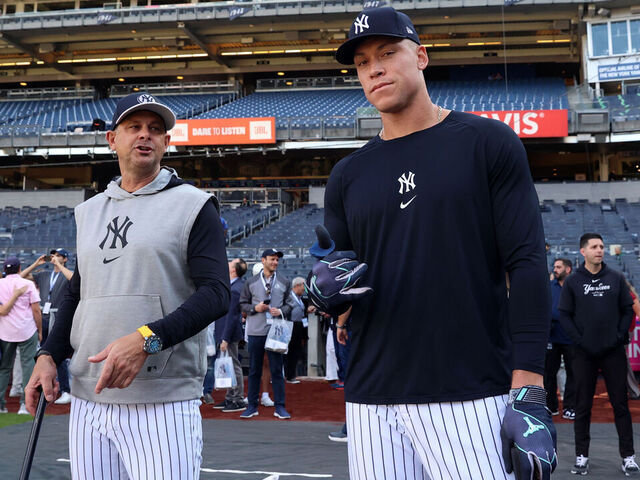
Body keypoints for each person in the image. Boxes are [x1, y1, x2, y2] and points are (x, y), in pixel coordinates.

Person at [312, 7, 557, 479]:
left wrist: (529, 387)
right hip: (370, 396)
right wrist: (322, 294)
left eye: (387, 53)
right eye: (362, 62)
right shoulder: (346, 175)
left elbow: (526, 263)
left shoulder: (487, 142)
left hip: (470, 391)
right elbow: (341, 284)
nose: (375, 68)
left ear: (421, 56)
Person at [24, 92, 230, 479]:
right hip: (89, 397)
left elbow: (217, 294)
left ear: (167, 143)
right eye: (134, 127)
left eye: (155, 129)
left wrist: (147, 339)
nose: (145, 135)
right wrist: (49, 354)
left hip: (161, 399)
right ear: (112, 139)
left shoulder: (195, 205)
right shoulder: (89, 211)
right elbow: (77, 293)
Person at [558, 233, 638, 476]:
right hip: (583, 354)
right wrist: (580, 340)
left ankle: (628, 457)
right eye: (594, 247)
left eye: (602, 246)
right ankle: (582, 456)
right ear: (583, 251)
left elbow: (627, 311)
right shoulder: (573, 281)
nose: (600, 250)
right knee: (582, 406)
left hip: (612, 353)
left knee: (620, 405)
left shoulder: (615, 278)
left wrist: (617, 336)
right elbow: (564, 315)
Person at [239, 248, 293, 419]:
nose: (275, 262)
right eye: (272, 259)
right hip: (256, 330)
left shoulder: (284, 281)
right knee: (254, 370)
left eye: (277, 260)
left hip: (276, 332)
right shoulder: (251, 282)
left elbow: (291, 303)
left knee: (277, 370)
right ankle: (252, 406)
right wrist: (255, 308)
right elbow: (242, 304)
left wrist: (282, 311)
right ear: (263, 260)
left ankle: (280, 407)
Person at [21, 248, 74, 404]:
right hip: (44, 316)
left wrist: (60, 265)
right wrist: (36, 263)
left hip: (58, 316)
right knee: (43, 353)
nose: (55, 258)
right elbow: (20, 277)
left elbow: (74, 280)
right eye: (54, 256)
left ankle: (66, 389)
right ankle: (47, 386)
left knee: (58, 353)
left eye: (58, 256)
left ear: (65, 259)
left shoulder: (65, 274)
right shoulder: (45, 274)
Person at [0, 256, 42, 415]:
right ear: (19, 268)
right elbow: (36, 310)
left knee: (4, 368)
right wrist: (40, 331)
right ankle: (24, 405)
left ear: (4, 269)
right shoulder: (28, 284)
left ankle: (0, 405)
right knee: (27, 368)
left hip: (5, 332)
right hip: (26, 330)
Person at [213, 258, 248, 413]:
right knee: (230, 364)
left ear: (234, 269)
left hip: (229, 334)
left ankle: (237, 398)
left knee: (234, 365)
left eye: (231, 263)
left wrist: (225, 338)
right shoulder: (234, 285)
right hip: (227, 332)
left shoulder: (235, 288)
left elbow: (231, 316)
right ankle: (230, 397)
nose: (227, 264)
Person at [545, 258, 576, 419]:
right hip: (552, 337)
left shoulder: (575, 287)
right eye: (554, 267)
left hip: (571, 338)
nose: (555, 269)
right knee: (549, 374)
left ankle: (570, 407)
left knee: (573, 373)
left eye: (558, 267)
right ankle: (551, 406)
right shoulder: (549, 287)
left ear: (568, 269)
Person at [285, 276, 311, 383]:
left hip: (298, 326)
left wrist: (306, 312)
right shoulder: (288, 297)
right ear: (297, 285)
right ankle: (284, 374)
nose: (304, 289)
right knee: (287, 352)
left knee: (295, 352)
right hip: (290, 325)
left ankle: (290, 375)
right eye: (303, 286)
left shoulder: (299, 298)